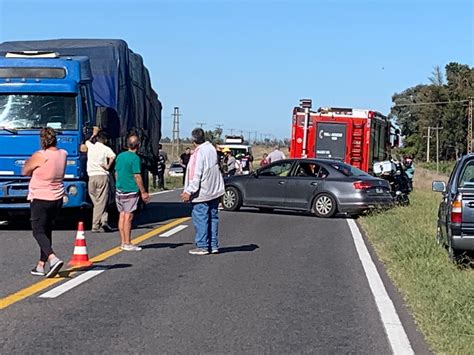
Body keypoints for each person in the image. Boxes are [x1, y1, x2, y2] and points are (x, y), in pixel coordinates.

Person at [23, 128, 67, 278]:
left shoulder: (40, 155)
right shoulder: (63, 154)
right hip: (57, 198)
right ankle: (41, 265)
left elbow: (25, 170)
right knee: (47, 230)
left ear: (42, 140)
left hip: (41, 197)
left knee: (38, 231)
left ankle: (52, 258)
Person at [181, 128, 225, 255]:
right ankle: (213, 244)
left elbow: (196, 174)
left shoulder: (199, 153)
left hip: (202, 192)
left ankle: (202, 246)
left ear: (193, 140)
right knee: (213, 217)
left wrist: (188, 191)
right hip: (214, 189)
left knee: (201, 218)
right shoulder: (211, 149)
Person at [115, 135, 150, 251]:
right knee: (128, 216)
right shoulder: (135, 158)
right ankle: (127, 242)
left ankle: (122, 241)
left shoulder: (120, 156)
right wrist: (143, 192)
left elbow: (116, 172)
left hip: (119, 189)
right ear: (138, 145)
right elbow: (137, 175)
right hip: (130, 190)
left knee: (122, 215)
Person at [85, 127, 116, 232]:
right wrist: (107, 166)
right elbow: (113, 156)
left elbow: (87, 141)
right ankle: (95, 225)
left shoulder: (91, 147)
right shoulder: (106, 149)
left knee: (97, 202)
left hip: (91, 177)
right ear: (105, 140)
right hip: (102, 176)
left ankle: (104, 221)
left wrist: (93, 134)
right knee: (101, 202)